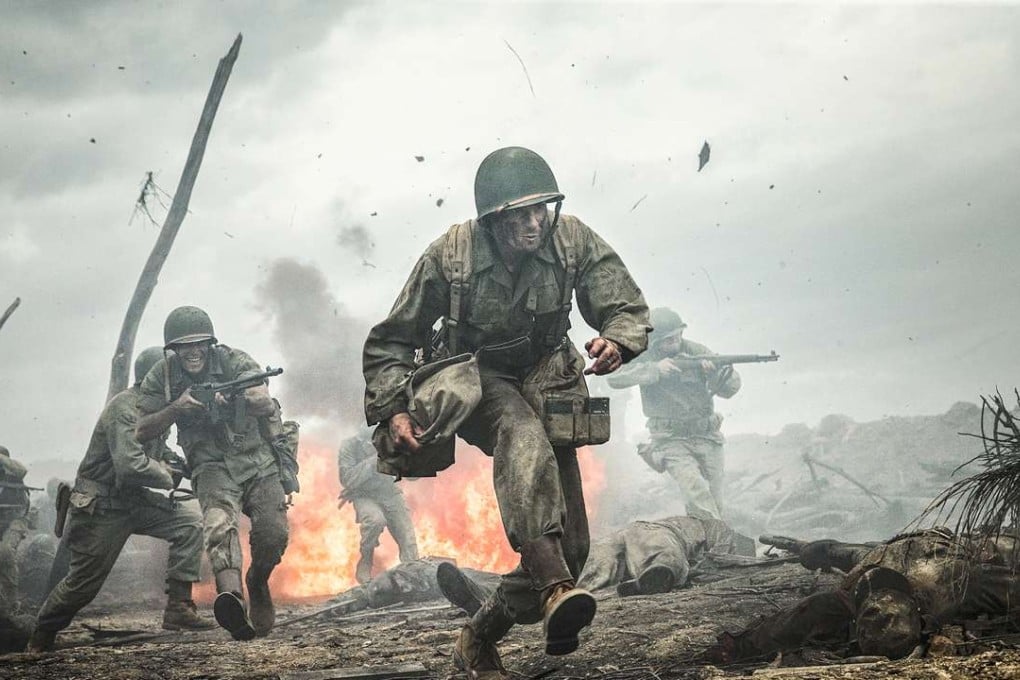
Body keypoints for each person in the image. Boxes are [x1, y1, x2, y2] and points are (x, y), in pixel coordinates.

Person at [363, 146, 650, 678]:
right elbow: (392, 341)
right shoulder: (449, 257)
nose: (533, 222)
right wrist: (393, 409)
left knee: (575, 545)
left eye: (540, 209)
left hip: (547, 372)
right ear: (494, 220)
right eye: (520, 214)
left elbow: (623, 304)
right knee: (522, 436)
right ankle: (556, 588)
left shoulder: (571, 240)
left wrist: (617, 338)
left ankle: (480, 634)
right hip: (477, 378)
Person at [25, 348, 212, 653]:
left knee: (189, 522)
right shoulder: (125, 408)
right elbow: (130, 464)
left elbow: (158, 450)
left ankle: (179, 607)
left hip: (134, 501)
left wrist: (191, 468)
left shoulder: (156, 407)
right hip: (102, 507)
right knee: (83, 585)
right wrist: (166, 475)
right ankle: (40, 636)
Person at [136, 306, 290, 641]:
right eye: (183, 346)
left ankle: (258, 582)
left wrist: (235, 399)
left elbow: (264, 402)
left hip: (257, 461)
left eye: (199, 344)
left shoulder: (235, 362)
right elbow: (140, 428)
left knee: (273, 534)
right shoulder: (162, 377)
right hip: (210, 464)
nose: (192, 352)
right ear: (173, 350)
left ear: (210, 343)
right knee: (219, 526)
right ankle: (232, 599)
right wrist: (177, 407)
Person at [710, 529, 1020, 662]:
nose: (876, 611)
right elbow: (838, 553)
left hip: (956, 549)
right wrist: (817, 550)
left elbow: (799, 617)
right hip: (901, 550)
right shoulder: (864, 578)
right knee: (822, 550)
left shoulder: (961, 583)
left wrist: (741, 646)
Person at [606, 307, 740, 519]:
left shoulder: (698, 351)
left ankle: (710, 544)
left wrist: (714, 373)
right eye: (668, 340)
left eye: (677, 336)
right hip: (670, 440)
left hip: (707, 435)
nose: (675, 343)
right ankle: (718, 545)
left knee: (715, 499)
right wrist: (654, 370)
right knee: (697, 492)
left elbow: (731, 388)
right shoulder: (643, 355)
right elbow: (614, 377)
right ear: (655, 342)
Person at [578, 516, 755, 597]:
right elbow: (719, 561)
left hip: (625, 536)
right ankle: (649, 582)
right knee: (668, 560)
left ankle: (570, 594)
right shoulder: (720, 528)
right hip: (657, 532)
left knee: (592, 574)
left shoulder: (717, 530)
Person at [337, 428, 418, 584]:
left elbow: (412, 475)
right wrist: (376, 459)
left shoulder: (393, 443)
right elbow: (348, 479)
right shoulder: (349, 446)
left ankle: (412, 573)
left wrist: (414, 456)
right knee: (375, 521)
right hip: (364, 495)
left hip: (389, 492)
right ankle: (366, 560)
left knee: (406, 534)